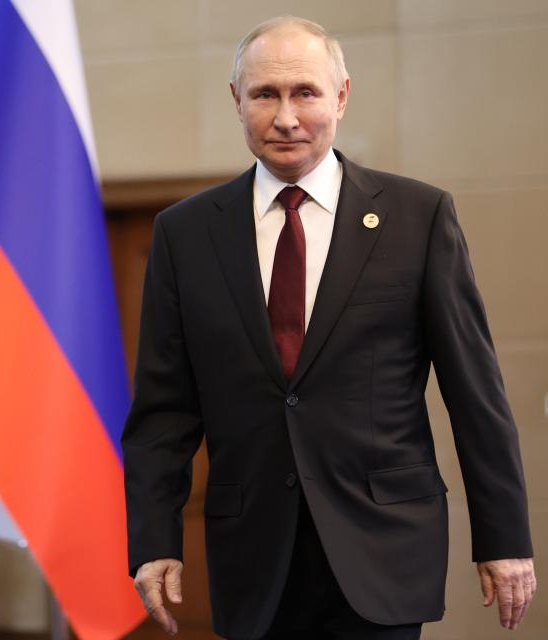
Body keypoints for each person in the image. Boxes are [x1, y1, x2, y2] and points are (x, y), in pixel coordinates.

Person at [122, 15, 535, 640]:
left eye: (305, 93)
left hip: (384, 550)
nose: (286, 117)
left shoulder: (417, 218)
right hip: (252, 559)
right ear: (237, 101)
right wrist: (154, 539)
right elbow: (163, 412)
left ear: (341, 95)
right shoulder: (185, 234)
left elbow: (476, 397)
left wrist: (503, 538)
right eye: (265, 94)